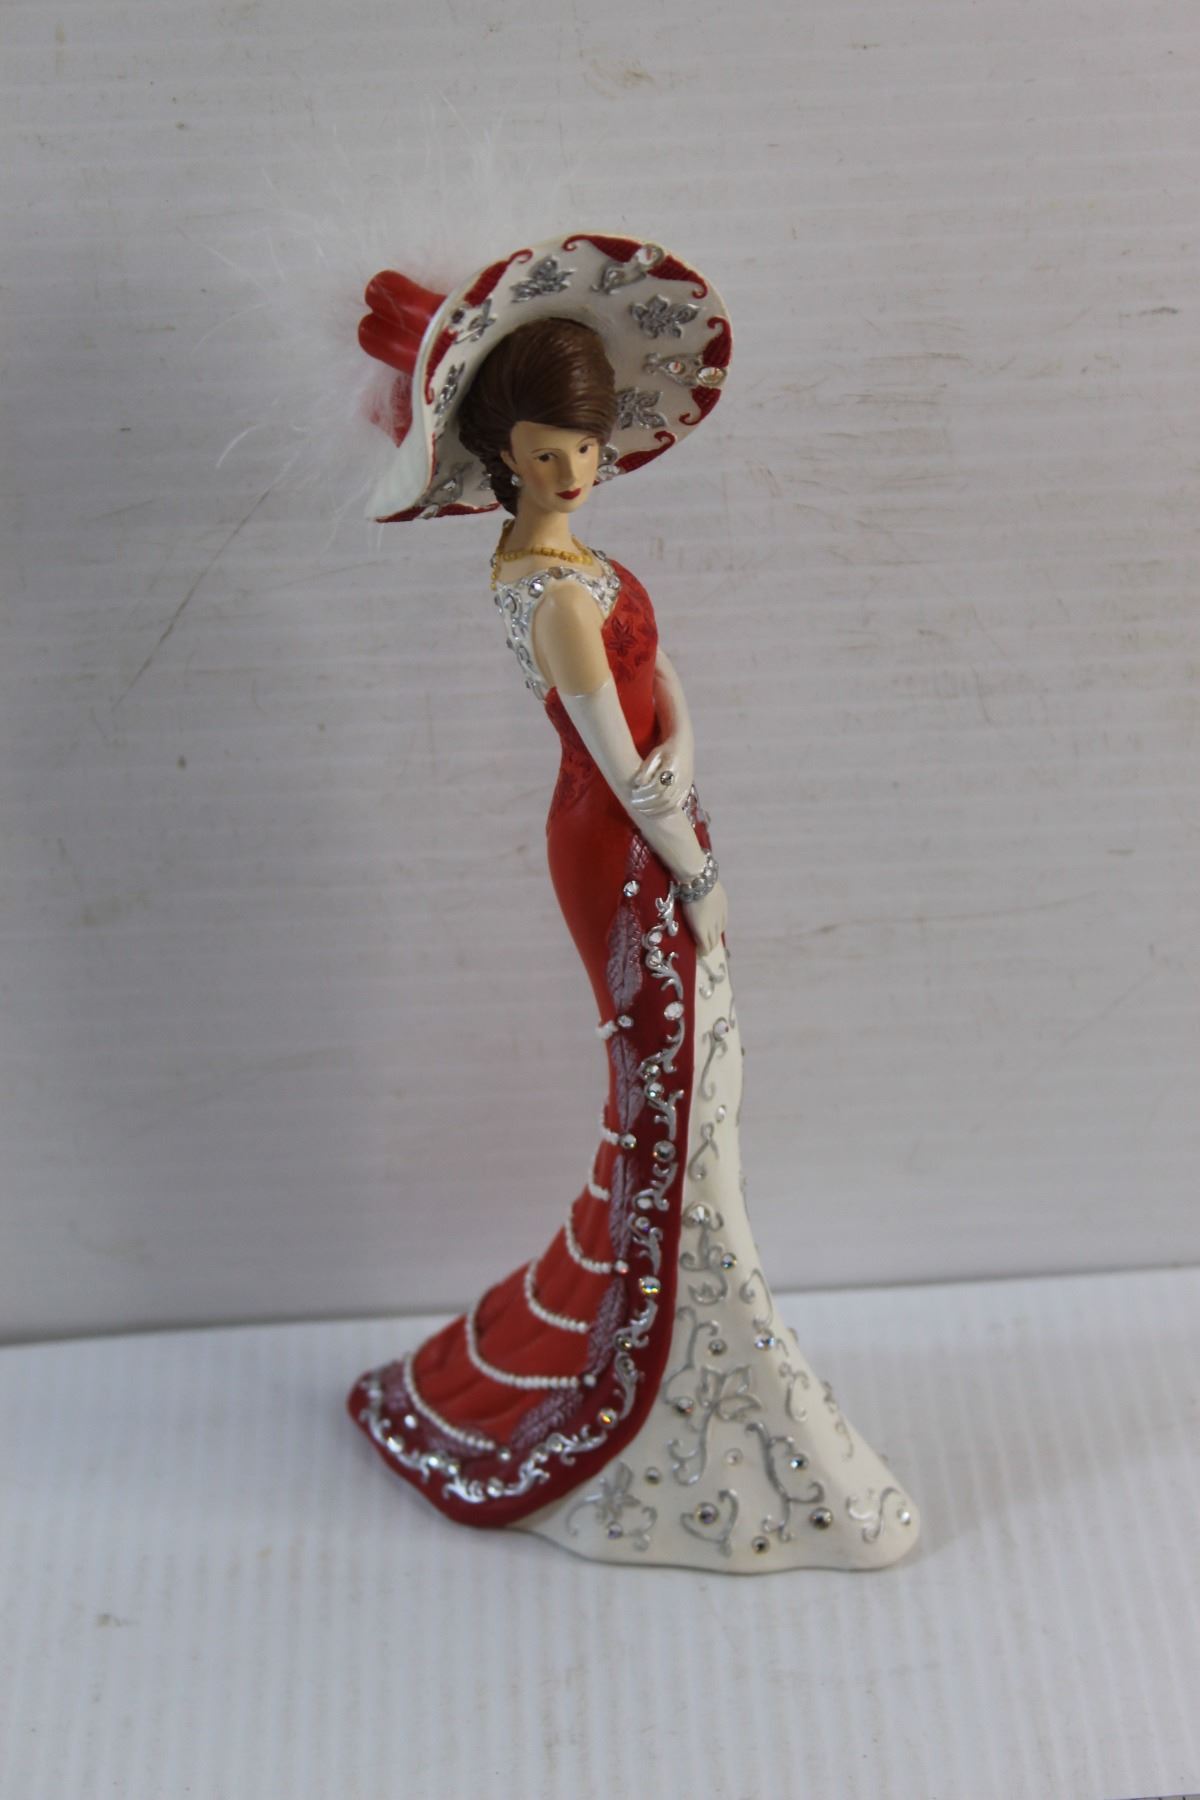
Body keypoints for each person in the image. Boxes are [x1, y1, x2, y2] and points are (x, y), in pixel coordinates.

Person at [345, 234, 919, 1571]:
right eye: (549, 452)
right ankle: (665, 1343)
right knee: (671, 1069)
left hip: (657, 812)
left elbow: (663, 700)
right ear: (504, 455)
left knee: (696, 1068)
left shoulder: (582, 563)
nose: (574, 472)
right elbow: (613, 755)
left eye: (588, 450)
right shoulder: (546, 590)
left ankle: (691, 1315)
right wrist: (695, 867)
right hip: (617, 842)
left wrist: (690, 763)